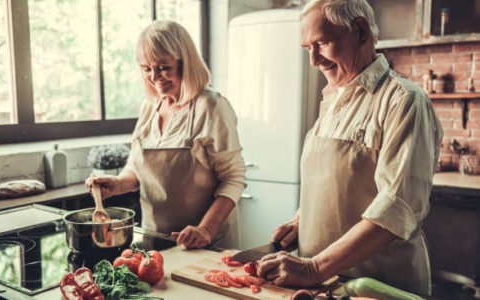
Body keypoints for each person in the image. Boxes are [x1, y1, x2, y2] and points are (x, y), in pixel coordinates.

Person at [257, 0, 443, 296]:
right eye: (307, 48)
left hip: (376, 286)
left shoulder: (404, 100)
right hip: (325, 284)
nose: (314, 60)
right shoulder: (333, 100)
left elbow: (396, 208)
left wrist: (314, 268)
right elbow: (337, 183)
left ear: (360, 31)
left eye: (322, 43)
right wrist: (301, 221)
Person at [86, 21, 246, 250]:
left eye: (163, 67)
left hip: (206, 243)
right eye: (146, 68)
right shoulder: (150, 107)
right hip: (155, 238)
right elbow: (138, 166)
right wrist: (119, 184)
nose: (154, 77)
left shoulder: (211, 106)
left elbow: (234, 178)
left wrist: (206, 229)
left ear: (185, 62)